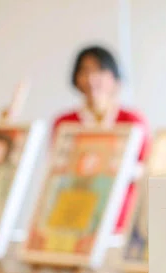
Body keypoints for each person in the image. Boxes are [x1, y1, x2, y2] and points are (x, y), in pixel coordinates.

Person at [53, 45, 149, 231]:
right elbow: (58, 171)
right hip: (74, 212)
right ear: (76, 78)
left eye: (99, 70)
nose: (91, 78)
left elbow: (145, 167)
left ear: (114, 77)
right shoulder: (64, 123)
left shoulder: (132, 120)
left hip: (121, 215)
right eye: (84, 71)